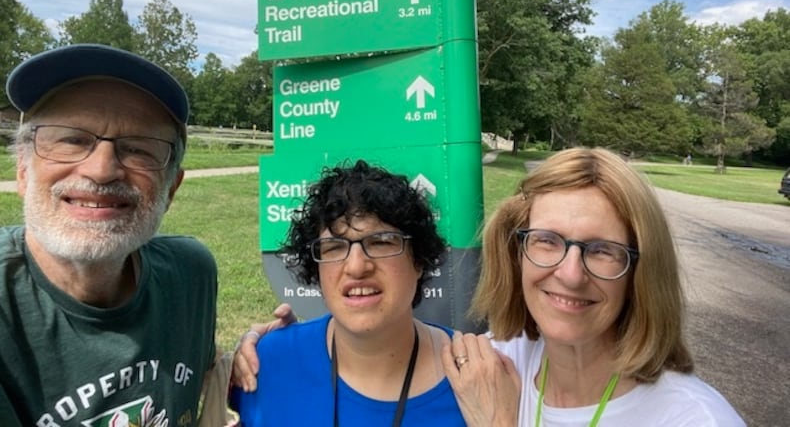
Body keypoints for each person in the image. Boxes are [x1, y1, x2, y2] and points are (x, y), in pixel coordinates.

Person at [0, 44, 223, 426]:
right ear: (23, 170)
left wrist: (267, 352)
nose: (101, 170)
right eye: (72, 139)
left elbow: (201, 376)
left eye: (138, 149)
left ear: (171, 189)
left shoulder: (191, 275)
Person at [443, 147, 745, 426]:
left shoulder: (695, 419)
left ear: (641, 273)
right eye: (547, 240)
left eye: (602, 250)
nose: (571, 275)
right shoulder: (499, 364)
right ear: (515, 253)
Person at [230, 160, 472, 426]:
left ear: (419, 260)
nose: (356, 266)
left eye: (380, 242)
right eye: (334, 246)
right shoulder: (265, 366)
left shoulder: (478, 379)